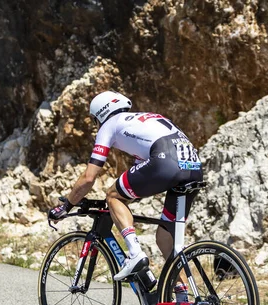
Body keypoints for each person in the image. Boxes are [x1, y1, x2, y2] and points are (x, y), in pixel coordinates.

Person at [48, 90, 203, 281]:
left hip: (165, 161)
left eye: (95, 121)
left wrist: (66, 206)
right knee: (166, 240)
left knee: (113, 196)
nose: (97, 127)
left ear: (102, 114)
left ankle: (135, 253)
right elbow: (140, 179)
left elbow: (89, 178)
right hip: (193, 166)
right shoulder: (144, 120)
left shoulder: (110, 125)